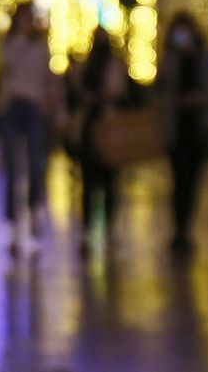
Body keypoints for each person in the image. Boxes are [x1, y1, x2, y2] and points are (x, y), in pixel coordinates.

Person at [154, 11, 208, 254]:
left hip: (197, 128)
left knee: (192, 181)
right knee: (178, 180)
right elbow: (160, 89)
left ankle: (186, 228)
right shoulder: (170, 58)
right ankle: (179, 228)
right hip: (176, 129)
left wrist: (201, 99)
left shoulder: (205, 57)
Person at [0, 3, 61, 252]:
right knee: (12, 167)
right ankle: (13, 225)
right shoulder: (9, 44)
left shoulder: (41, 46)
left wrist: (55, 109)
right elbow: (3, 71)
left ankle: (34, 209)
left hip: (34, 108)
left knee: (37, 163)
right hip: (12, 106)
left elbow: (48, 79)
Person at [69, 29, 132, 251]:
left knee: (110, 182)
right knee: (90, 181)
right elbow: (74, 93)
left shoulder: (116, 66)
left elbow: (128, 95)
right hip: (90, 127)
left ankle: (108, 229)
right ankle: (88, 230)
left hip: (110, 127)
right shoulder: (84, 66)